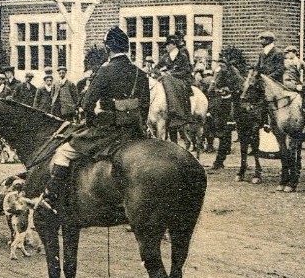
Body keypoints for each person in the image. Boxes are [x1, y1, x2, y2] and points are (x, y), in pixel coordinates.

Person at [44, 27, 150, 211]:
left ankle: (51, 197)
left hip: (108, 131)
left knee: (64, 152)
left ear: (108, 49)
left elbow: (87, 105)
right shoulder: (139, 74)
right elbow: (145, 106)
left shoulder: (105, 71)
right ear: (127, 47)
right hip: (134, 131)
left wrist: (92, 123)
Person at [207, 57, 244, 171]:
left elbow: (240, 88)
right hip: (222, 104)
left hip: (233, 103)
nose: (221, 68)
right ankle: (220, 157)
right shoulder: (219, 72)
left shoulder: (234, 74)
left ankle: (220, 159)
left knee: (227, 130)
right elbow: (213, 87)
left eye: (223, 66)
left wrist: (230, 90)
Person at [153, 33, 194, 129]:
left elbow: (186, 71)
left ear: (174, 45)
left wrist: (171, 74)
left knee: (167, 80)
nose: (166, 47)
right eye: (166, 45)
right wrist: (160, 73)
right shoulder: (165, 57)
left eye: (168, 44)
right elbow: (155, 68)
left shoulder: (182, 56)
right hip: (167, 79)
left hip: (182, 79)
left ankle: (175, 111)